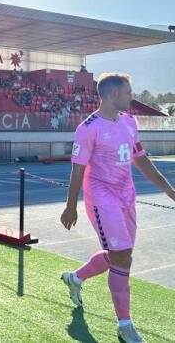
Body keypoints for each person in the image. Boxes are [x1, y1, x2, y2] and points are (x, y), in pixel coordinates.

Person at [60, 73, 175, 343]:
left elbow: (141, 160)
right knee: (122, 256)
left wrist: (168, 188)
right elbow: (77, 171)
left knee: (119, 256)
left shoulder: (129, 122)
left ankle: (75, 278)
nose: (131, 97)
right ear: (113, 95)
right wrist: (70, 207)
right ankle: (125, 326)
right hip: (101, 197)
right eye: (128, 93)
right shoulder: (88, 128)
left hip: (126, 196)